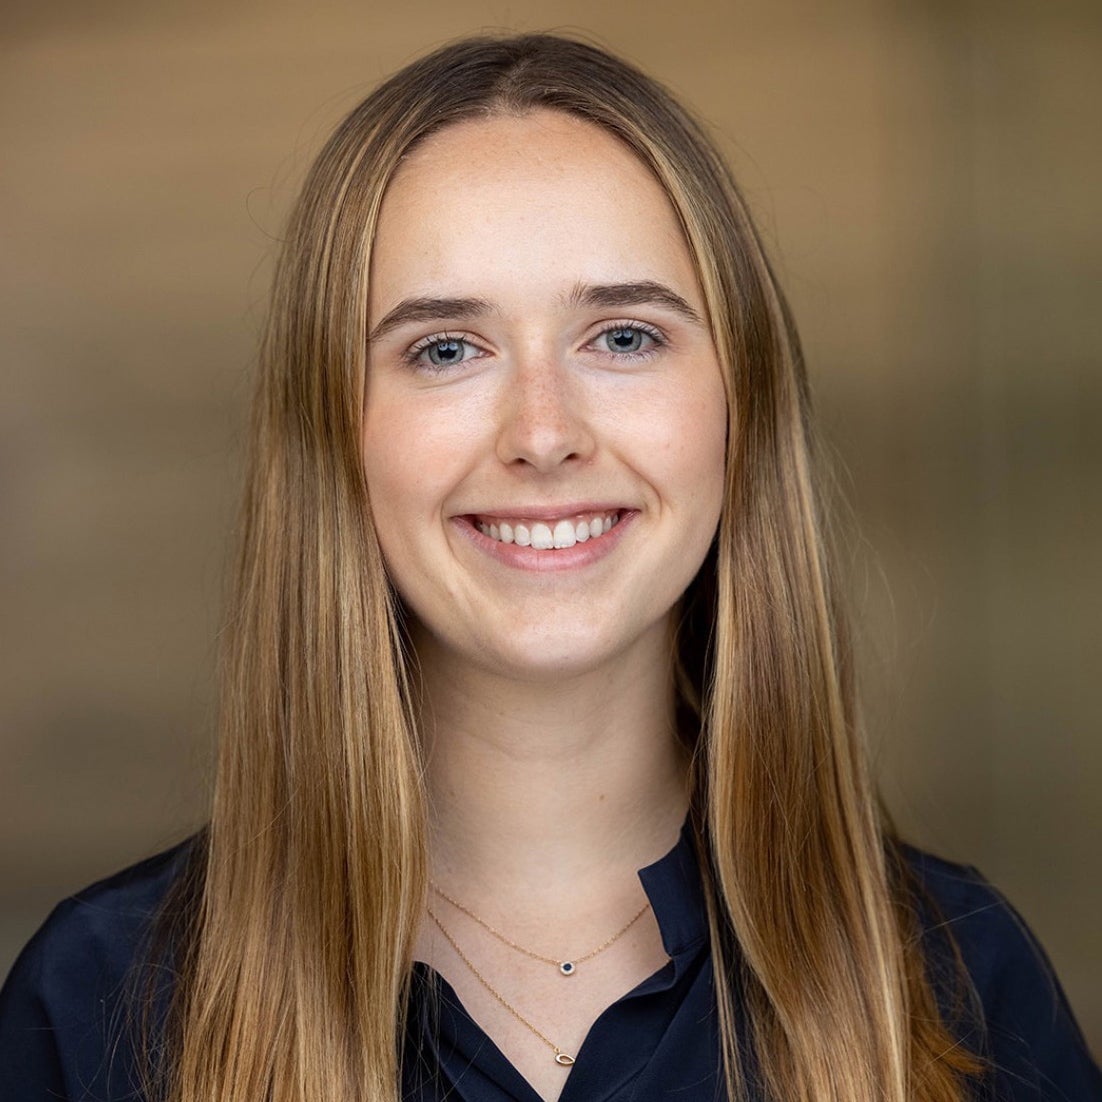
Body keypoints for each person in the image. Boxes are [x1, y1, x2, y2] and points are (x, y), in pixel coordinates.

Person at [0, 32, 1098, 1102]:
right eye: (444, 348)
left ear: (740, 404)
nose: (542, 431)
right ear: (333, 434)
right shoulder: (94, 1001)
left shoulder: (959, 982)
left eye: (622, 335)